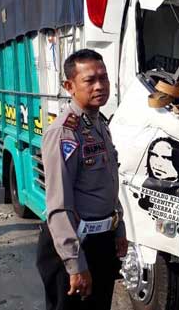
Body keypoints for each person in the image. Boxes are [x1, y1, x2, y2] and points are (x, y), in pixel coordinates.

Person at [36, 49, 128, 310]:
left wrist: (118, 228)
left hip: (101, 243)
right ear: (69, 86)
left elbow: (108, 183)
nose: (100, 86)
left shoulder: (100, 125)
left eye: (104, 78)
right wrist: (75, 264)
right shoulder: (64, 133)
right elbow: (58, 205)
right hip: (75, 247)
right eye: (90, 80)